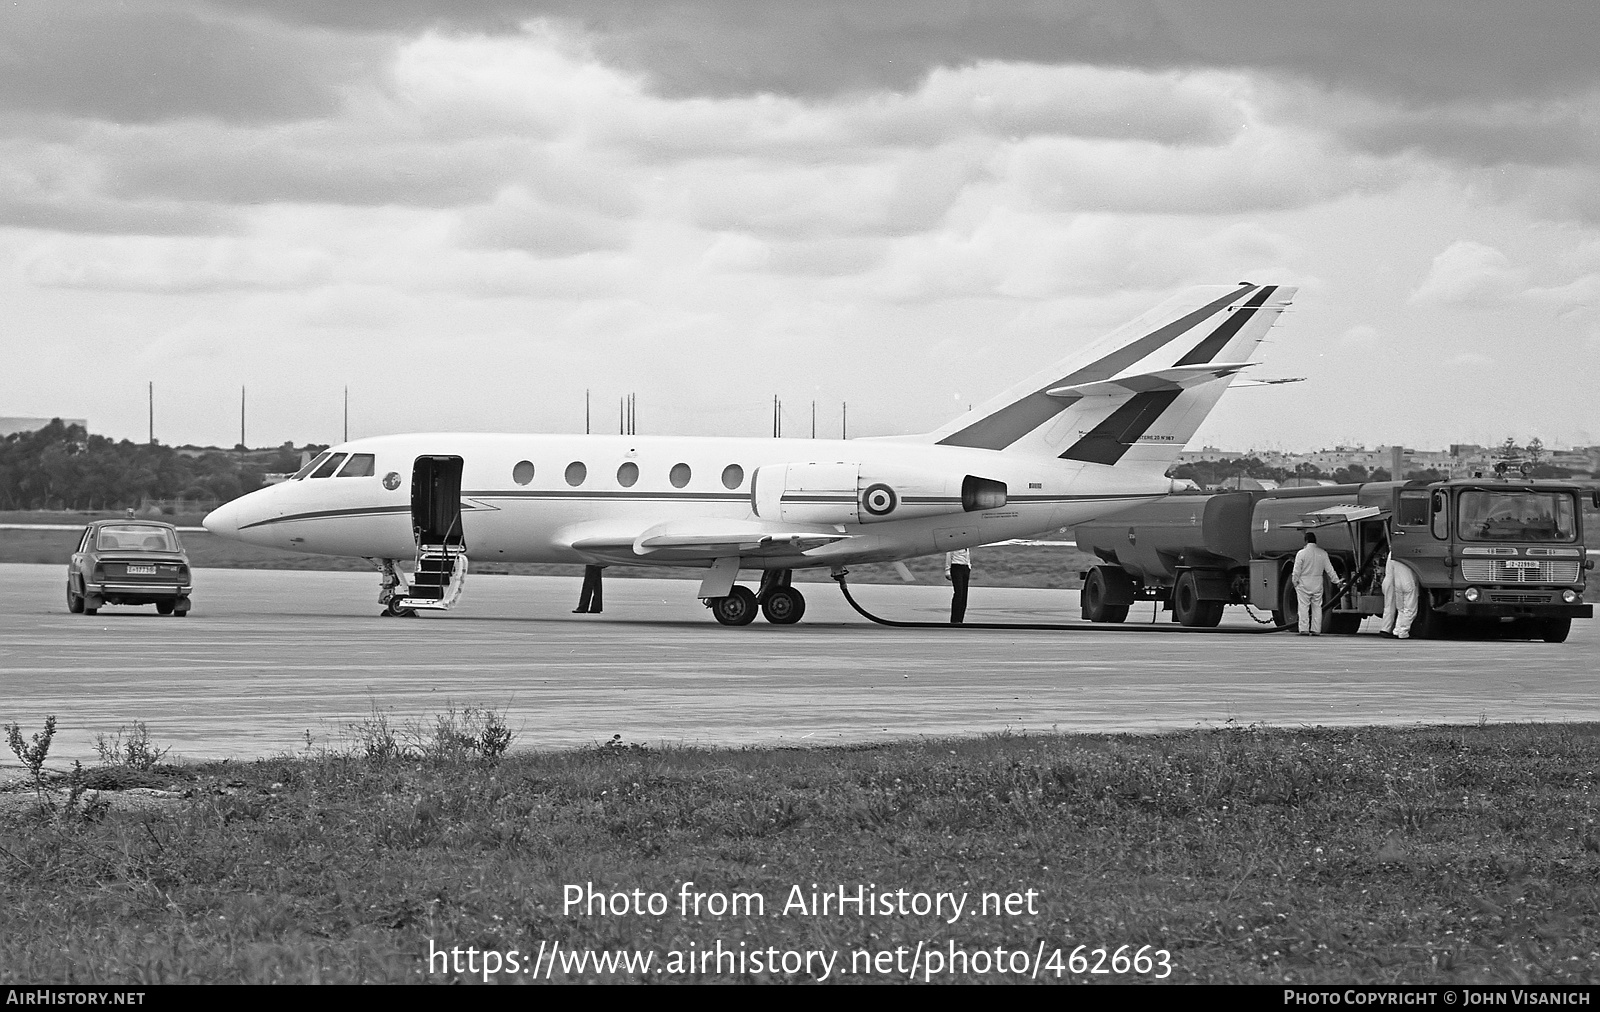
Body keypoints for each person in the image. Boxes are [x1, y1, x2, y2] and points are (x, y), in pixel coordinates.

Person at [1290, 532, 1339, 636]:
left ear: (1306, 541)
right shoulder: (1323, 553)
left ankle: (1304, 629)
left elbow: (1296, 570)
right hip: (1317, 583)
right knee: (1317, 607)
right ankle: (1316, 629)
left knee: (1303, 607)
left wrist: (1295, 581)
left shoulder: (1301, 553)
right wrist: (1337, 581)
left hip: (1304, 583)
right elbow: (1330, 570)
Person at [1379, 550, 1419, 639]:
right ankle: (1402, 631)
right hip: (1407, 583)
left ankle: (1390, 629)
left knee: (1396, 607)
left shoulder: (1393, 552)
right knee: (1410, 609)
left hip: (1393, 582)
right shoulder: (1408, 552)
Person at [944, 548, 971, 624]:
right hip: (956, 566)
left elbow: (967, 555)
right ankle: (954, 619)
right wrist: (947, 569)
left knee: (964, 595)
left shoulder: (967, 545)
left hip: (965, 567)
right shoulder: (956, 542)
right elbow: (949, 554)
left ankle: (960, 619)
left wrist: (969, 566)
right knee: (958, 592)